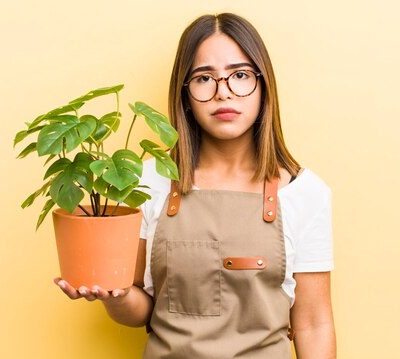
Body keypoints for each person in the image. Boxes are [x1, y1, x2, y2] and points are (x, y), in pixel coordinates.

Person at [54, 13, 336, 358]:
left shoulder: (305, 193)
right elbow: (141, 310)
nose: (224, 93)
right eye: (204, 78)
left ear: (264, 87)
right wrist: (116, 295)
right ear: (185, 94)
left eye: (241, 75)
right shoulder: (147, 181)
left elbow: (313, 323)